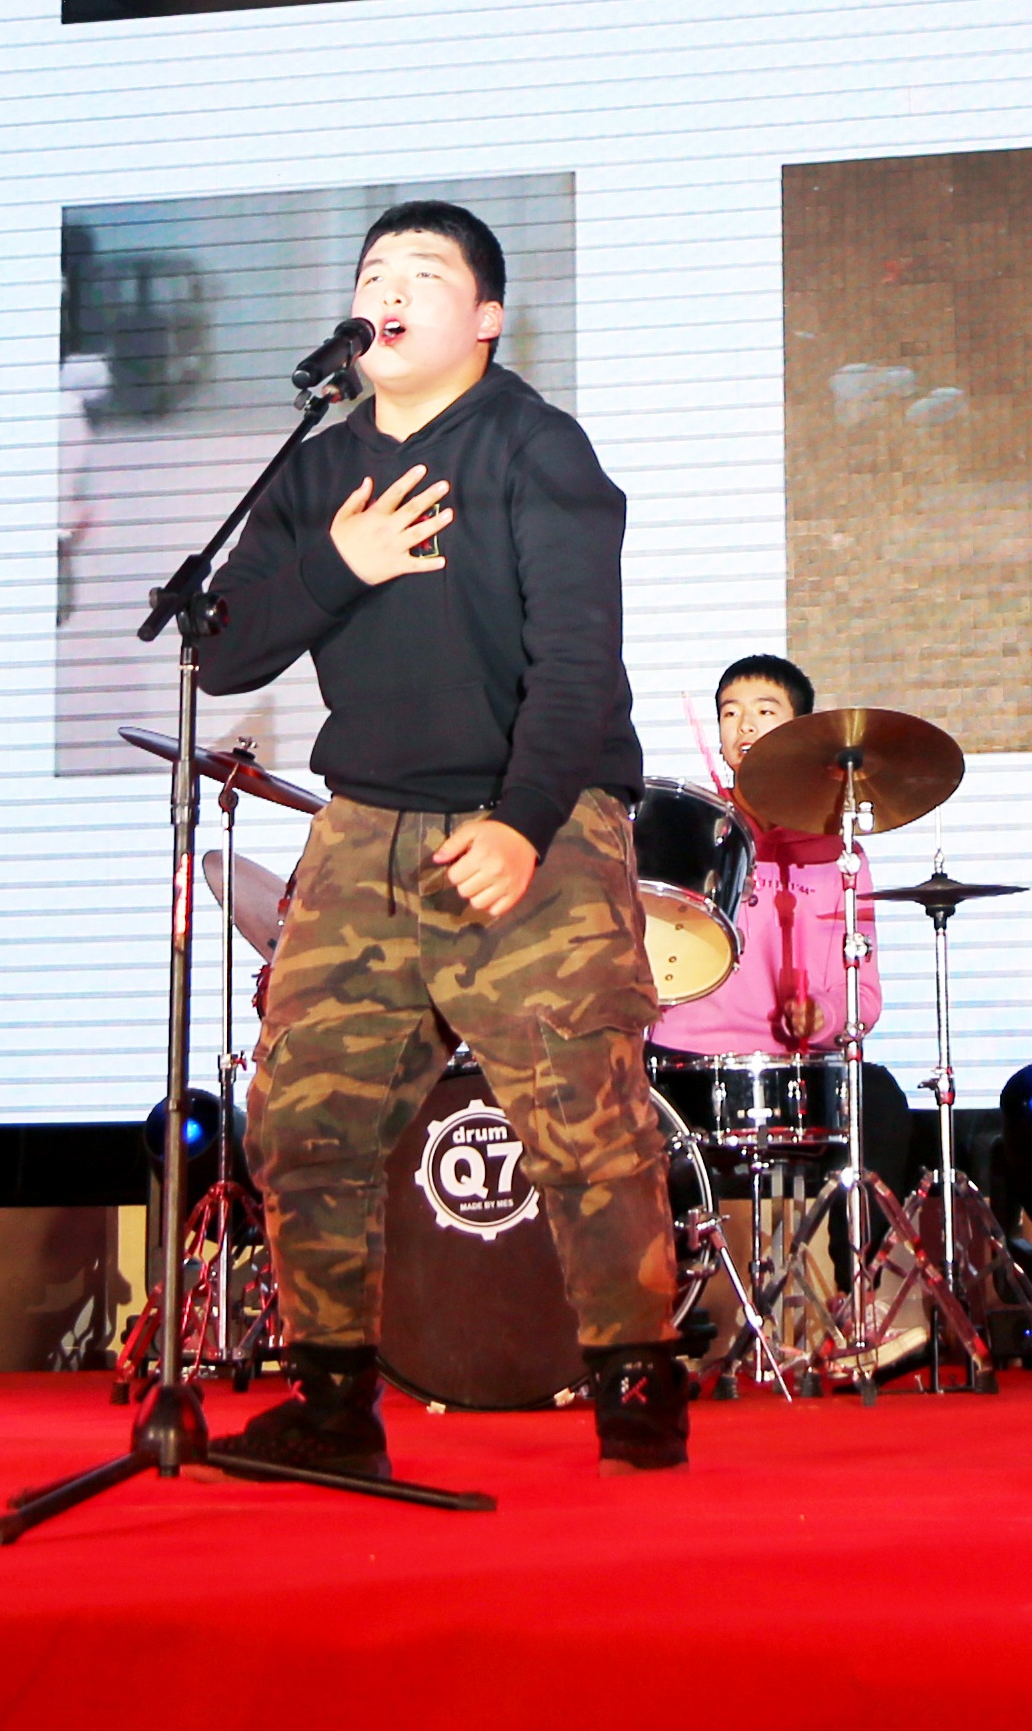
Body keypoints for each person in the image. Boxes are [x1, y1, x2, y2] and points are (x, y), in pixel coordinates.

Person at [190, 202, 691, 1475]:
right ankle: (333, 1400)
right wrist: (339, 562)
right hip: (366, 821)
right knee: (305, 1114)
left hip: (537, 810)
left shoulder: (537, 446)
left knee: (581, 1114)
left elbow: (577, 667)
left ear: (487, 320)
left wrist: (522, 827)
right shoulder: (317, 468)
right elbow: (224, 649)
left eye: (424, 273)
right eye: (375, 273)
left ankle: (637, 1388)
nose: (391, 291)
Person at [652, 650, 878, 1068]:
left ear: (801, 731)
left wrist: (823, 1015)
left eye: (765, 711)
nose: (745, 725)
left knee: (884, 1099)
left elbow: (862, 993)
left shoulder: (840, 854)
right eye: (730, 713)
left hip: (796, 1065)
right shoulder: (688, 828)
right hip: (682, 1057)